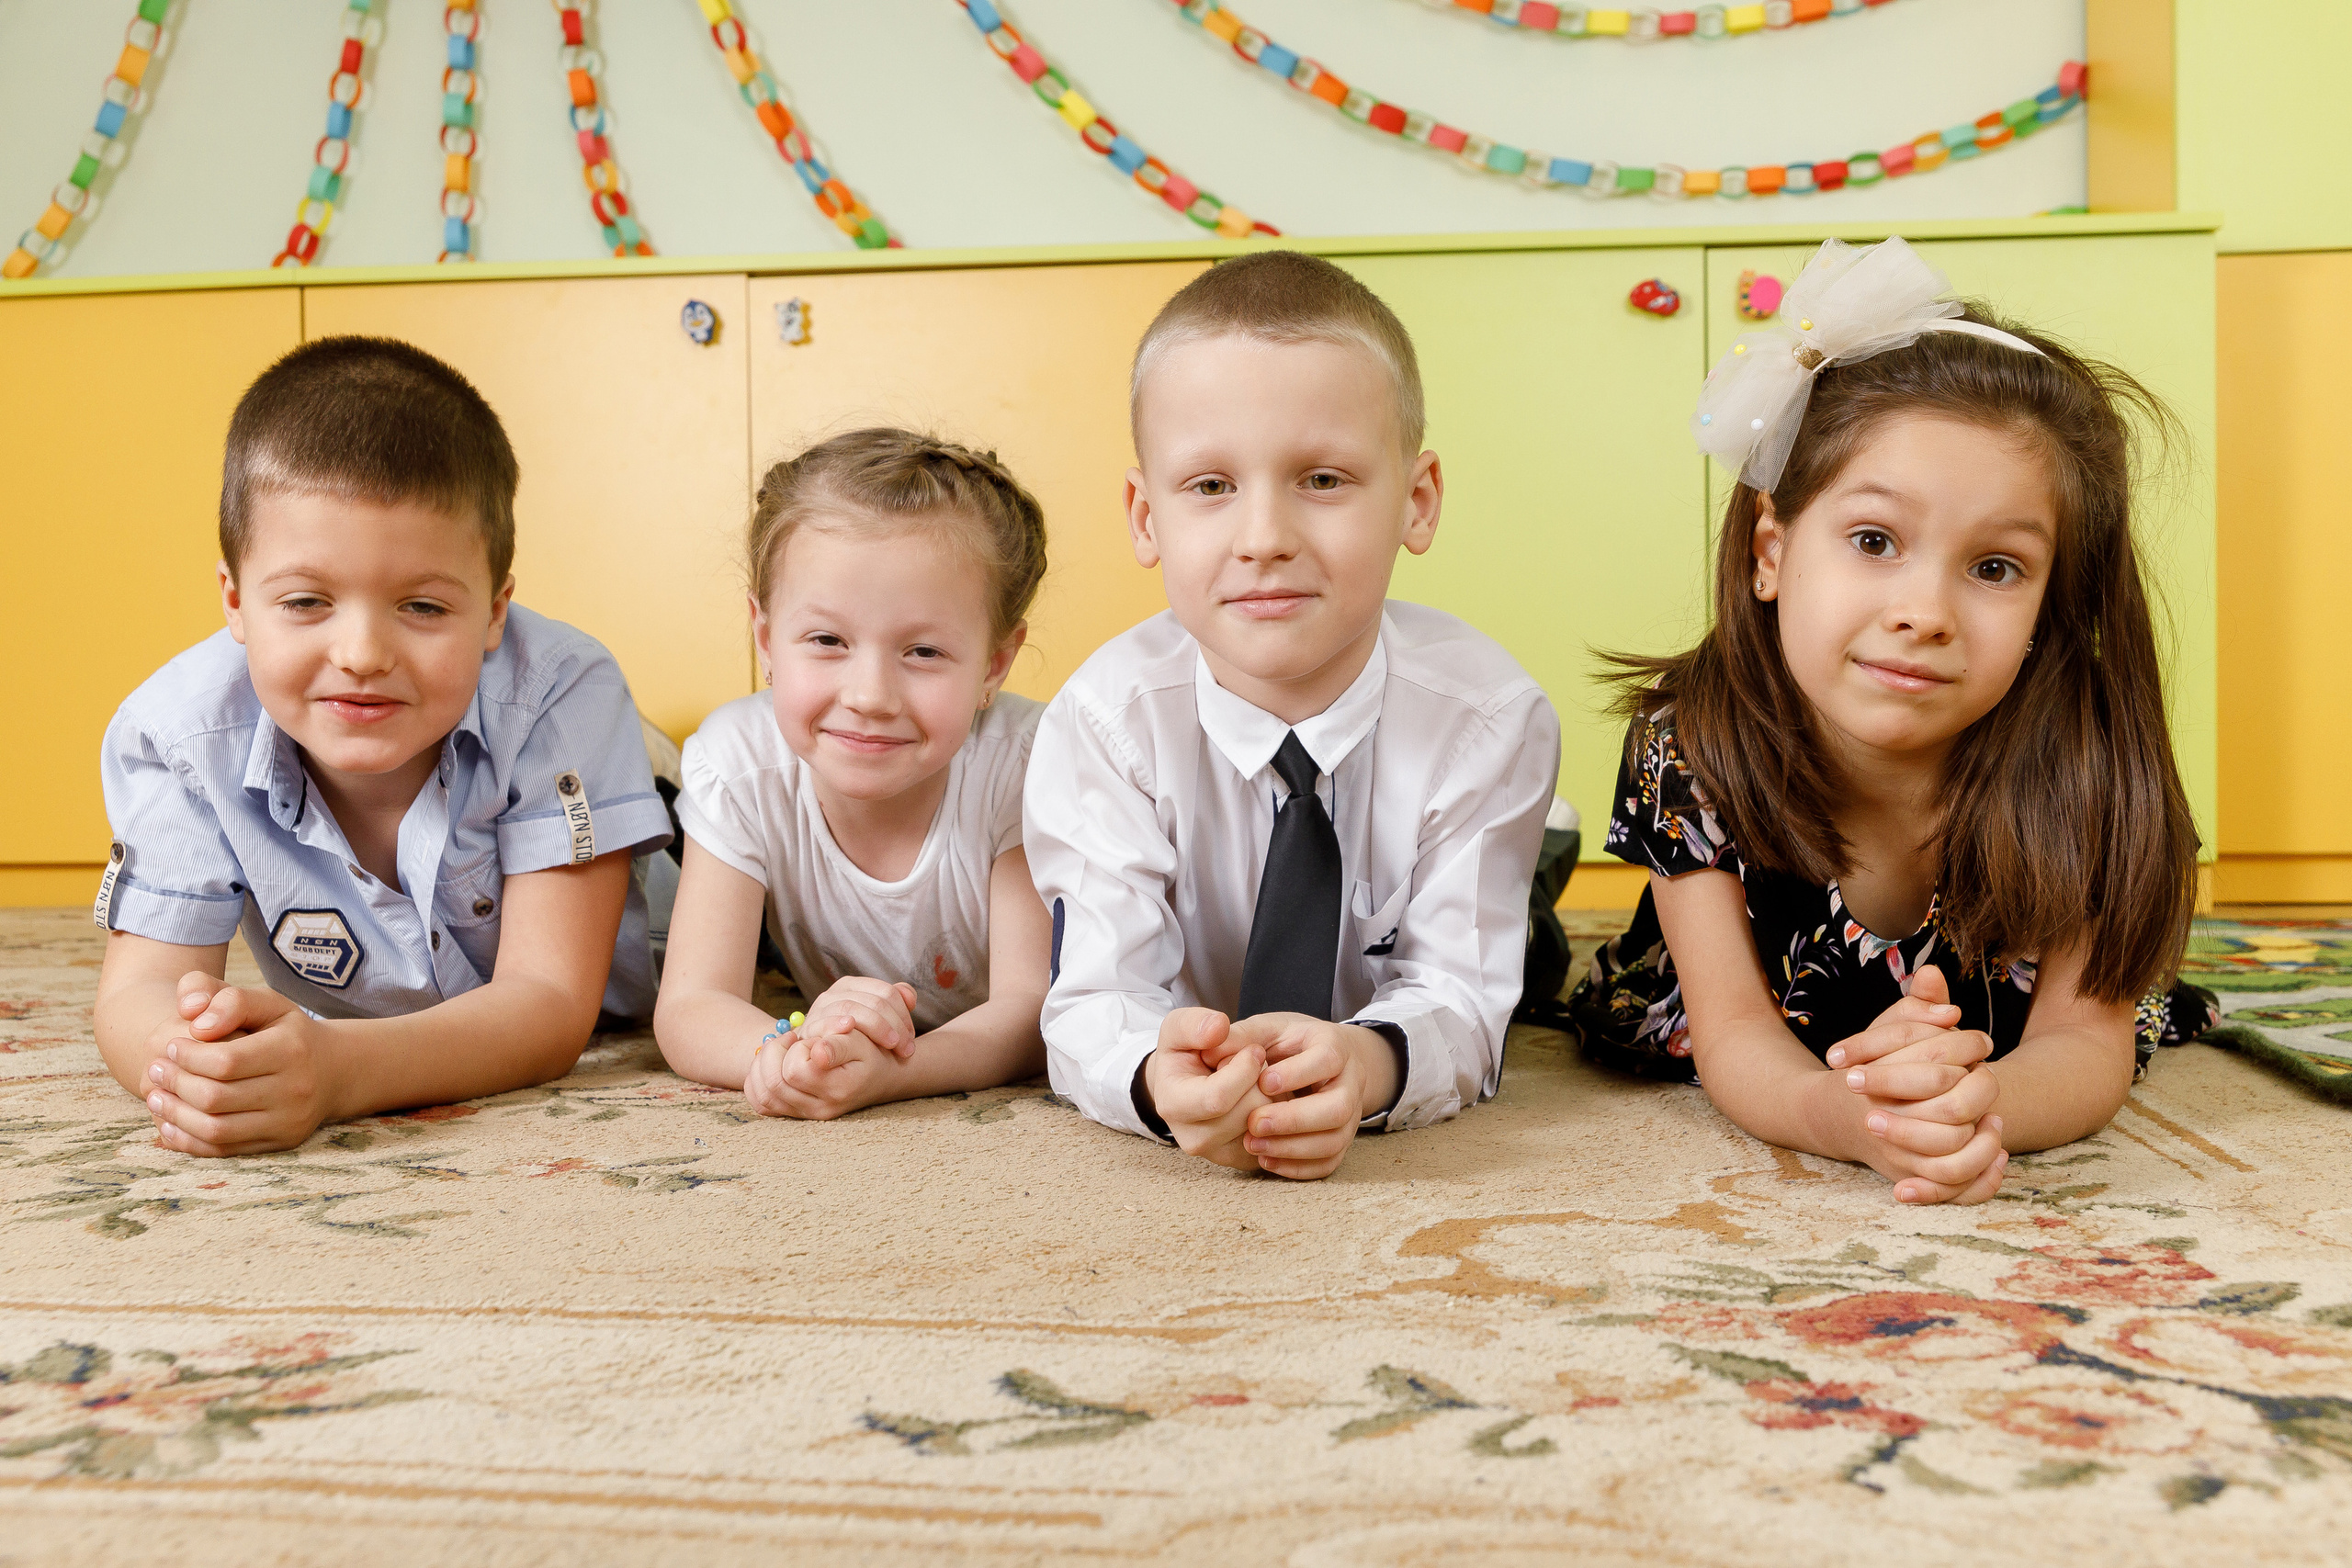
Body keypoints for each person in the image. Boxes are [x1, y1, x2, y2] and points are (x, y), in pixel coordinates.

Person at [1567, 236, 2219, 1205]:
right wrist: (1848, 1119)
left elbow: (2085, 1042)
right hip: (1763, 1023)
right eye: (1874, 540)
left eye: (1994, 568)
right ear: (1770, 552)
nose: (1925, 612)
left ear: (2052, 606)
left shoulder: (2090, 758)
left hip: (1990, 1043)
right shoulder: (1690, 744)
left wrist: (1973, 1106)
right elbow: (1736, 1034)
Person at [1026, 250, 1561, 1180]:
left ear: (1417, 502)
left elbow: (1460, 997)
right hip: (1217, 993)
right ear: (1145, 516)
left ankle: (1543, 856)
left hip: (1418, 905)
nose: (1264, 539)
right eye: (1210, 486)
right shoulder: (1102, 725)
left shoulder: (1491, 720)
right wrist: (1153, 1078)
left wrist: (1370, 1064)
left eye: (1322, 480)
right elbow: (1093, 1000)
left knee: (1535, 963)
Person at [94, 336, 673, 1156]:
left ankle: (654, 762)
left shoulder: (560, 690)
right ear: (233, 599)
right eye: (306, 601)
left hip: (649, 931)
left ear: (496, 609)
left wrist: (337, 1071)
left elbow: (547, 1002)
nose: (362, 654)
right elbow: (139, 991)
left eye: (423, 607)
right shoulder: (178, 735)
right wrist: (193, 1064)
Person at [653, 430, 1052, 1117]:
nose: (870, 695)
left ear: (994, 663)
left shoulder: (1022, 765)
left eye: (923, 651)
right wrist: (788, 1054)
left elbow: (1031, 1011)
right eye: (827, 641)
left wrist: (895, 1074)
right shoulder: (739, 764)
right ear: (765, 638)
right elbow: (692, 1003)